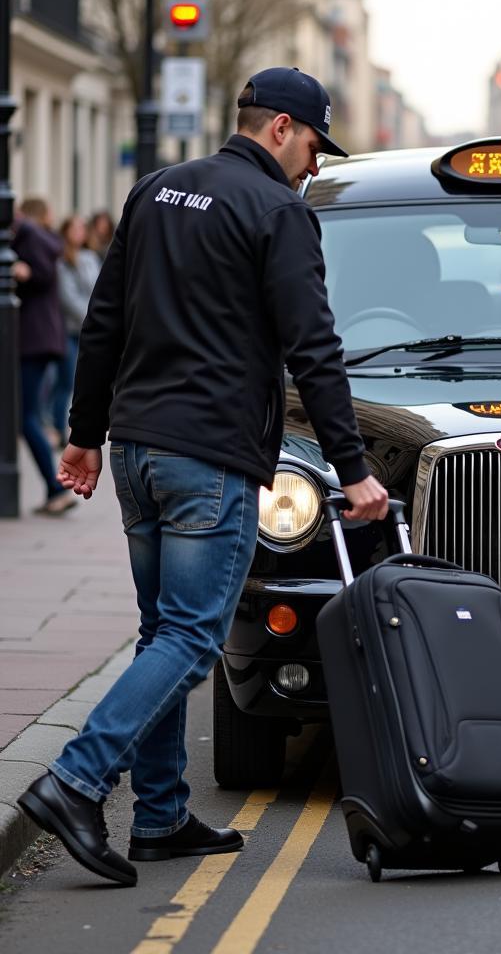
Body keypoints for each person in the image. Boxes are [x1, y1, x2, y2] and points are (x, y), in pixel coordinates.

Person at [18, 67, 389, 887]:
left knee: (161, 632)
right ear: (283, 129)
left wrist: (82, 436)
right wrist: (354, 470)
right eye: (315, 147)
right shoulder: (278, 211)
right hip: (209, 458)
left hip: (138, 452)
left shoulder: (156, 190)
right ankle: (76, 781)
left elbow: (104, 319)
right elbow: (314, 349)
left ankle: (158, 816)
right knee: (190, 638)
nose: (316, 167)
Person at [11, 197, 76, 515]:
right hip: (38, 338)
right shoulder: (33, 236)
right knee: (25, 415)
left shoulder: (27, 236)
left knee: (25, 417)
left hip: (31, 340)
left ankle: (55, 488)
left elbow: (43, 275)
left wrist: (24, 272)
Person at [51, 215, 103, 446]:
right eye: (75, 228)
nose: (80, 232)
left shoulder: (91, 258)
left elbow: (101, 290)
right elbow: (68, 299)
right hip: (70, 331)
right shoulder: (62, 261)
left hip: (90, 330)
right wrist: (95, 319)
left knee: (84, 381)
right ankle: (60, 429)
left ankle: (73, 429)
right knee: (67, 382)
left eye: (83, 227)